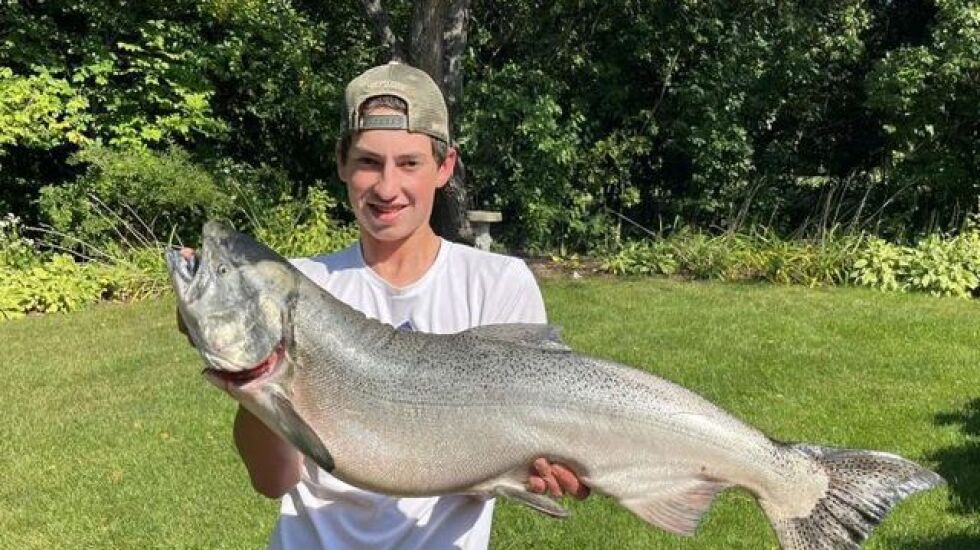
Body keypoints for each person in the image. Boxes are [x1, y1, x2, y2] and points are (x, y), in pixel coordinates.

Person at [193, 61, 587, 549]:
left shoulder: (498, 284)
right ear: (341, 163)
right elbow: (272, 480)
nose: (386, 186)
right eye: (368, 162)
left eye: (409, 163)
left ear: (445, 167)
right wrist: (257, 383)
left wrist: (532, 464)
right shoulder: (302, 285)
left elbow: (495, 466)